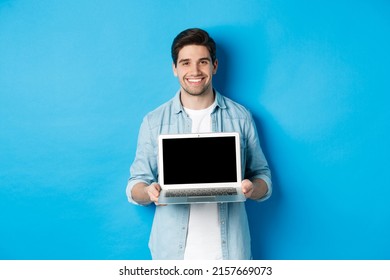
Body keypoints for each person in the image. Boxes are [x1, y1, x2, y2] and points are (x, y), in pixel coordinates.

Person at [126, 28, 272, 260]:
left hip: (230, 254)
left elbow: (263, 177)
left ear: (214, 66)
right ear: (175, 68)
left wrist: (252, 188)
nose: (194, 71)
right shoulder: (154, 121)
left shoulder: (240, 117)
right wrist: (148, 192)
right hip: (171, 255)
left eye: (202, 62)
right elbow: (135, 185)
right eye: (185, 63)